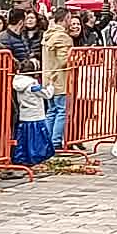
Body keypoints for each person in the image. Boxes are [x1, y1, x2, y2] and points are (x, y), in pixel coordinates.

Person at [42, 10, 81, 150]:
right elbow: (64, 60)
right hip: (60, 79)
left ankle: (47, 140)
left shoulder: (48, 35)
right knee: (61, 110)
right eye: (70, 18)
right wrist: (79, 58)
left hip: (49, 79)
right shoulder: (63, 37)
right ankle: (56, 141)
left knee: (51, 110)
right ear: (65, 19)